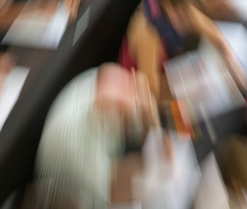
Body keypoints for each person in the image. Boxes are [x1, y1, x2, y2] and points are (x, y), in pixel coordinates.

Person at [33, 63, 159, 209]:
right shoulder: (78, 147)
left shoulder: (104, 89)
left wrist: (148, 122)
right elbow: (110, 194)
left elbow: (135, 113)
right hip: (68, 195)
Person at [120, 0, 247, 99]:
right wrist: (190, 80)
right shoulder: (148, 34)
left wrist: (232, 61)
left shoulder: (180, 5)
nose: (190, 18)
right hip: (137, 85)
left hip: (168, 68)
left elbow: (214, 33)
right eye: (184, 14)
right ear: (169, 7)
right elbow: (152, 90)